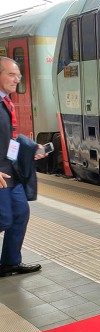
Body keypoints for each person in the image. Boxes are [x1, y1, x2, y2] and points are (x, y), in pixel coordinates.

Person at [0, 57, 44, 277]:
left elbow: (9, 139)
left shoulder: (6, 102)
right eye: (11, 74)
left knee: (20, 213)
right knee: (3, 218)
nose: (17, 79)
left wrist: (31, 148)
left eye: (18, 75)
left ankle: (9, 262)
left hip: (11, 170)